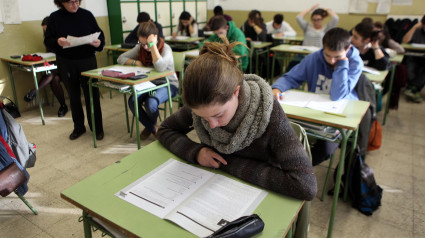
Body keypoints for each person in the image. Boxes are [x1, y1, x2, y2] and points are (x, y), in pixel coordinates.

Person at [157, 39, 317, 201]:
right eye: (202, 117)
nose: (211, 125)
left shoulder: (268, 111)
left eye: (218, 115)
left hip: (258, 198)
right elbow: (164, 129)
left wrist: (226, 163)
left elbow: (305, 185)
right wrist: (196, 152)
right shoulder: (204, 103)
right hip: (212, 192)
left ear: (236, 92)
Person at [272, 28, 363, 165]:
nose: (332, 61)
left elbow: (337, 94)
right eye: (328, 55)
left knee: (324, 149)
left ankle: (300, 167)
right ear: (323, 47)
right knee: (282, 130)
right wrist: (277, 88)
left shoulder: (355, 62)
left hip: (339, 115)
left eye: (337, 57)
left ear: (348, 49)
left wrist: (342, 64)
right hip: (314, 110)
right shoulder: (314, 58)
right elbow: (291, 77)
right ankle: (286, 163)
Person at [44, 0, 105, 140]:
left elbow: (100, 35)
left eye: (77, 1)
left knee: (92, 95)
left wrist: (99, 42)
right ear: (61, 2)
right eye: (71, 2)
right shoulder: (54, 17)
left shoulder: (87, 15)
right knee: (73, 96)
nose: (75, 5)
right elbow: (48, 41)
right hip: (66, 62)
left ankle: (97, 128)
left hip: (87, 60)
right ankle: (79, 127)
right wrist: (58, 42)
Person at [117, 22, 178, 140]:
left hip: (169, 84)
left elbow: (159, 68)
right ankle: (153, 128)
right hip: (150, 83)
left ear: (155, 37)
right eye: (142, 43)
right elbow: (121, 58)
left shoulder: (166, 49)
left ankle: (151, 127)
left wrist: (152, 45)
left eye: (147, 43)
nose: (145, 47)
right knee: (133, 101)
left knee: (151, 103)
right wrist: (135, 62)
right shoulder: (140, 48)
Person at [24, 16, 68, 117]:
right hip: (56, 69)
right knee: (54, 78)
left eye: (47, 29)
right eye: (44, 30)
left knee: (52, 73)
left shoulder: (63, 35)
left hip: (68, 67)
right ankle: (63, 106)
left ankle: (35, 90)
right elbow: (50, 53)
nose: (46, 32)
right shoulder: (48, 39)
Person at [402, 15, 425, 103]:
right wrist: (414, 27)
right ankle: (414, 90)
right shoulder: (417, 30)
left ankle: (412, 88)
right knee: (410, 67)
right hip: (414, 56)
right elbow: (404, 41)